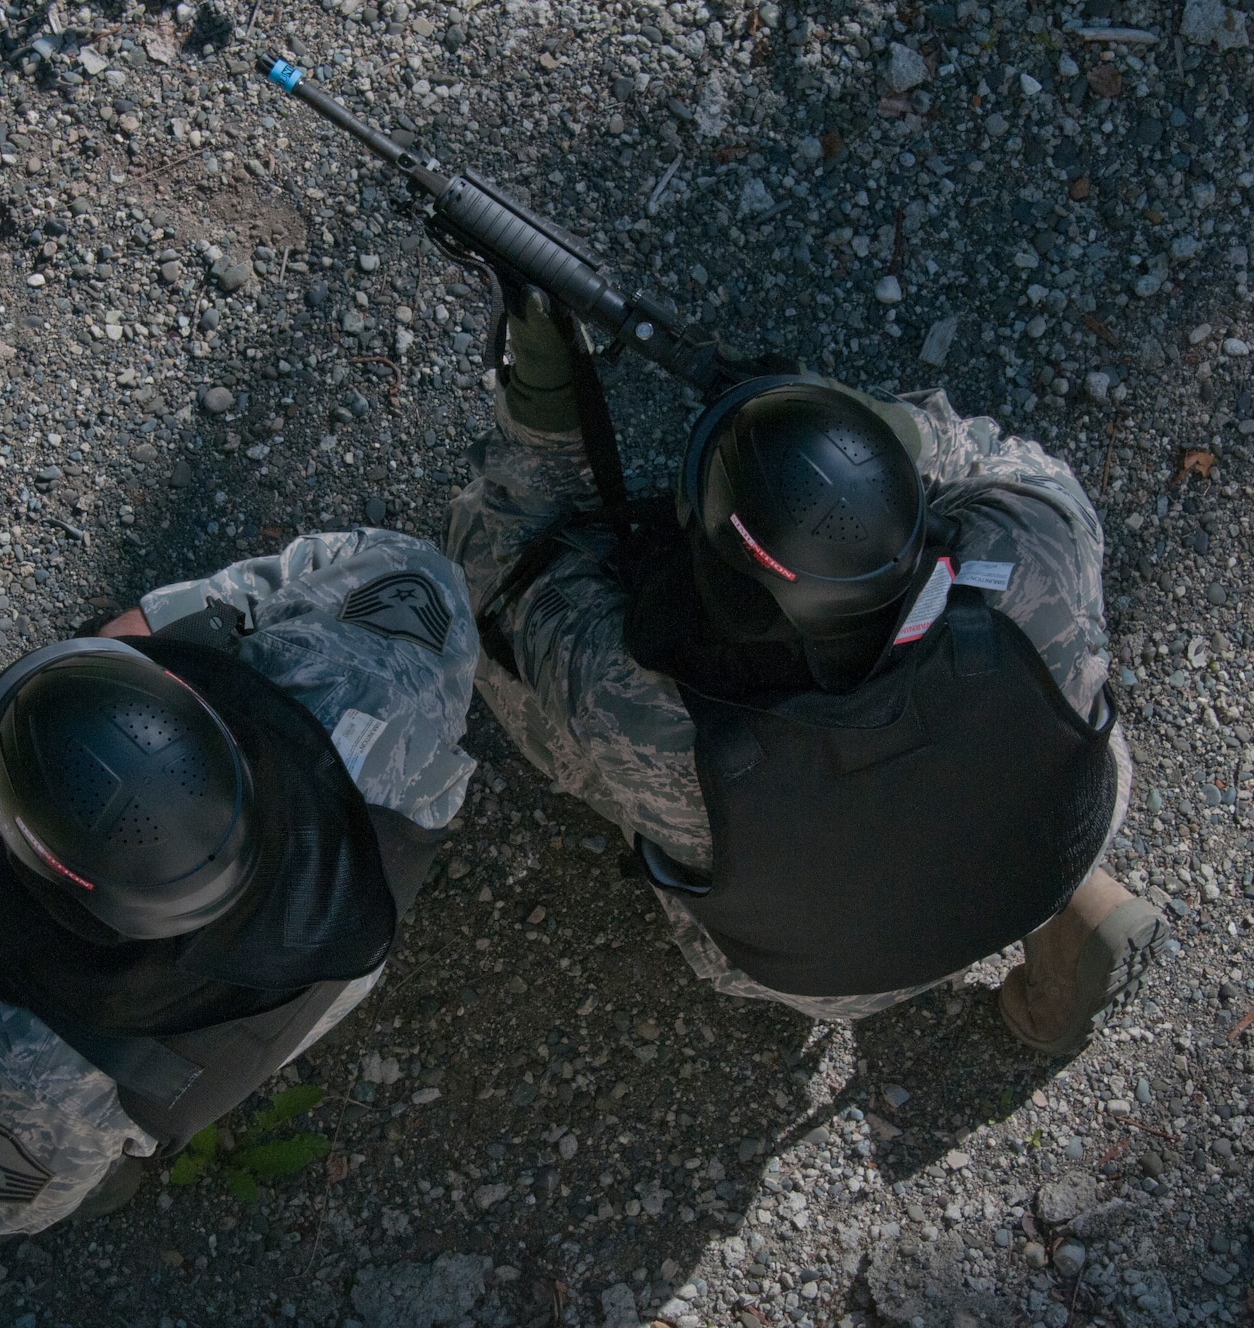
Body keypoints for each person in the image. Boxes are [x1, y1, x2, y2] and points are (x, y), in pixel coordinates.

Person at [445, 292, 1167, 1052]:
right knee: (1010, 733)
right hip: (1056, 837)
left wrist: (545, 417)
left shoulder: (647, 716)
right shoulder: (1037, 551)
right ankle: (1065, 905)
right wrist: (871, 427)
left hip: (846, 974)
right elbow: (980, 454)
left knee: (535, 685)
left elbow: (502, 565)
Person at [0, 531, 478, 1258]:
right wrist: (158, 622)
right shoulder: (376, 686)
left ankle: (103, 1173)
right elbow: (392, 561)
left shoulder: (38, 1055)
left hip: (139, 1076)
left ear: (75, 901)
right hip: (345, 952)